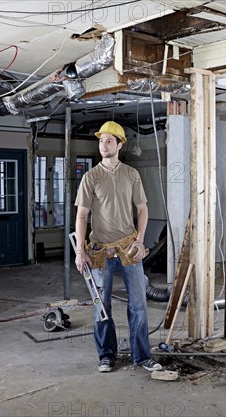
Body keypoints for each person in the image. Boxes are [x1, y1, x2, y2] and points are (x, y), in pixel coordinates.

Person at [74, 121, 162, 373]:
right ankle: (106, 355)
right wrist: (81, 251)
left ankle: (142, 356)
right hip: (100, 252)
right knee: (102, 307)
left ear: (120, 144)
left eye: (110, 140)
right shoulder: (91, 177)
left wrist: (140, 240)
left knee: (138, 305)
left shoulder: (131, 174)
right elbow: (82, 216)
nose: (104, 144)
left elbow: (143, 209)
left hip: (128, 249)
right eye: (101, 140)